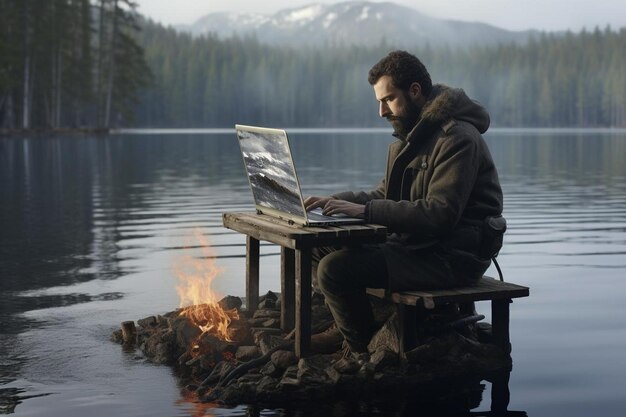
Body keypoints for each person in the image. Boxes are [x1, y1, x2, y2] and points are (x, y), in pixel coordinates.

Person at [304, 50, 504, 359]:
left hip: (452, 256)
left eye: (388, 100)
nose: (381, 111)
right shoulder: (413, 137)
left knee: (334, 270)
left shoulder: (458, 139)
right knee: (316, 248)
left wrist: (365, 212)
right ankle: (352, 328)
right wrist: (335, 201)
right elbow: (386, 195)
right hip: (418, 246)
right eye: (378, 102)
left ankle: (362, 352)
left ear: (415, 92)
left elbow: (440, 214)